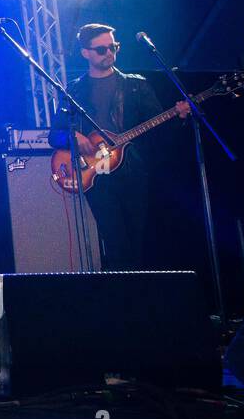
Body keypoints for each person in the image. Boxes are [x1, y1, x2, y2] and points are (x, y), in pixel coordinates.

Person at [49, 24, 188, 270]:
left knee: (138, 241)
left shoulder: (136, 85)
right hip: (96, 173)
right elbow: (54, 135)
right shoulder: (74, 90)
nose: (109, 53)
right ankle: (119, 297)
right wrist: (74, 138)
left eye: (113, 47)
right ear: (86, 53)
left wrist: (178, 117)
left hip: (132, 170)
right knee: (115, 243)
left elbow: (159, 129)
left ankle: (136, 298)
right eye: (102, 49)